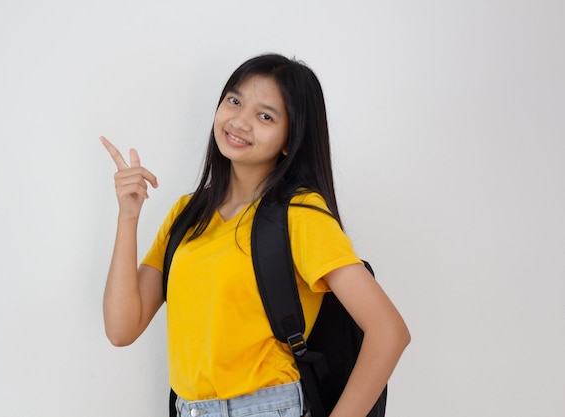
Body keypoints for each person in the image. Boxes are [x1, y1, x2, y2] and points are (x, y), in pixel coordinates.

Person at [101, 53, 410, 417]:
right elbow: (122, 329)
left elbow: (389, 331)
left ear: (288, 140)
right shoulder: (187, 214)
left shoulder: (300, 213)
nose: (240, 121)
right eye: (234, 101)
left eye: (265, 116)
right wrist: (128, 217)